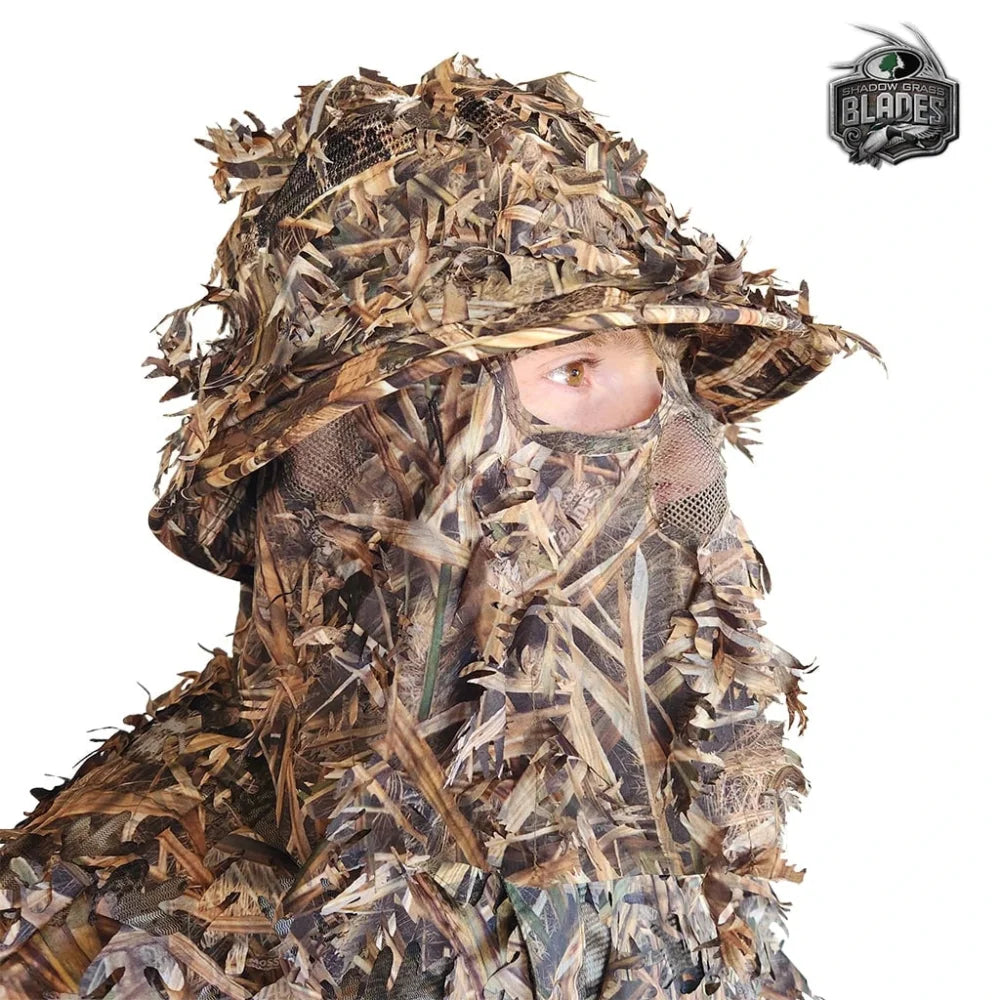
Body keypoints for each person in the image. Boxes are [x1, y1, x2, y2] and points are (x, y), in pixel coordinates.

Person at [0, 54, 881, 999]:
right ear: (381, 450)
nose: (682, 463)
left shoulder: (679, 885)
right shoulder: (107, 941)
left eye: (664, 380)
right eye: (575, 373)